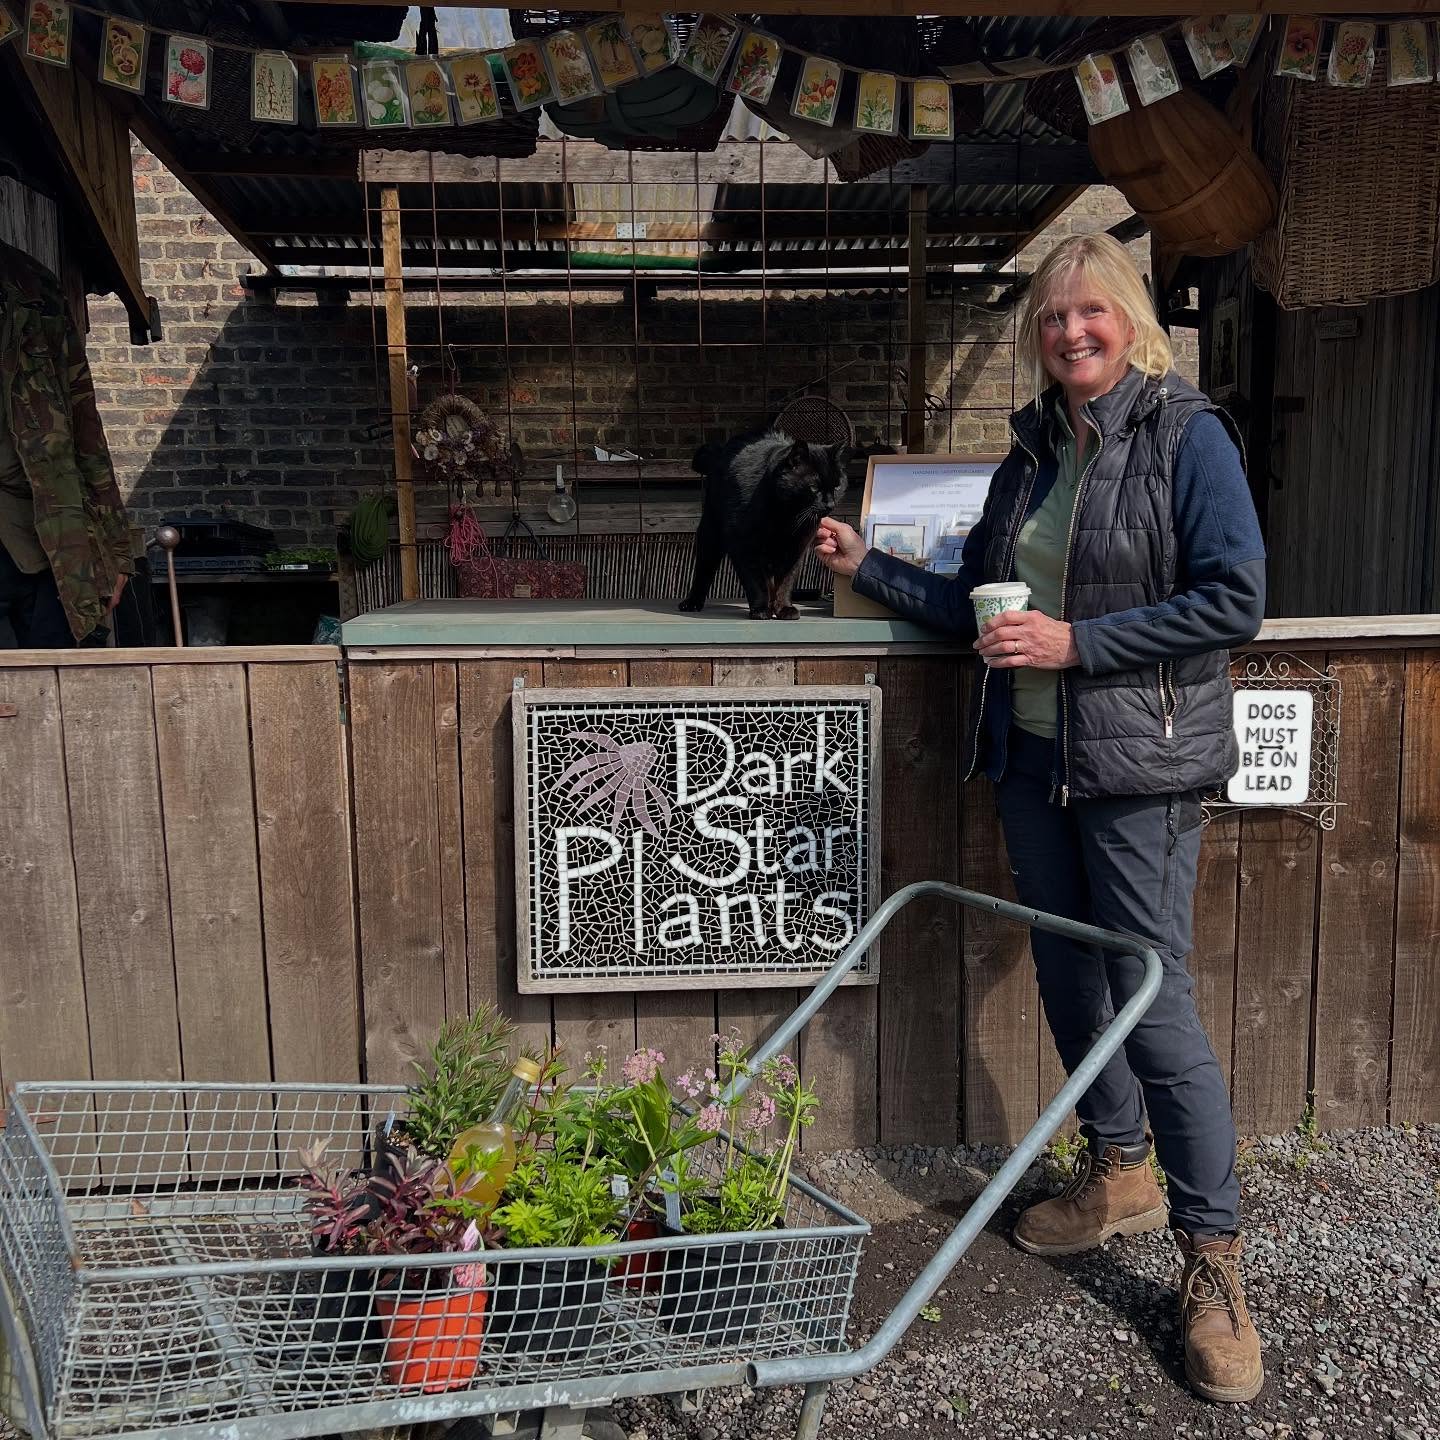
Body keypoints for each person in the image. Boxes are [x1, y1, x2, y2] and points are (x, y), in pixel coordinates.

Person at [814, 233, 1266, 1405]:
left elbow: (1236, 598)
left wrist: (1078, 644)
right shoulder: (1031, 450)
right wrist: (869, 565)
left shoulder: (1187, 435)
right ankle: (1120, 1171)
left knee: (1153, 1002)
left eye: (1090, 311)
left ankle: (1213, 1261)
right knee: (1070, 979)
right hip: (1031, 760)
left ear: (1130, 318)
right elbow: (977, 602)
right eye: (1053, 317)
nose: (1071, 332)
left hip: (1138, 768)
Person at [1, 239, 132, 647]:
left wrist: (117, 546)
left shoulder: (31, 286)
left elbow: (83, 423)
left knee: (65, 672)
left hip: (45, 543)